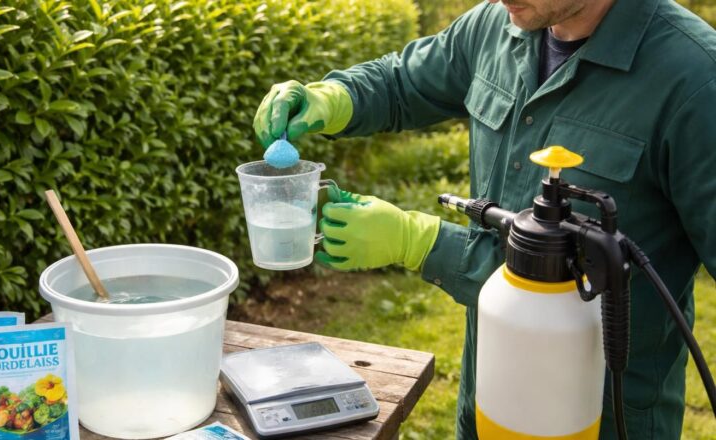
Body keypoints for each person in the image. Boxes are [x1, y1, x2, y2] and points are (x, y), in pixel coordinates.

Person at [252, 0, 716, 438]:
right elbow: (402, 83)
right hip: (486, 398)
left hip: (602, 415)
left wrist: (421, 242)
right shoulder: (498, 27)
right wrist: (334, 98)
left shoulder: (695, 79)